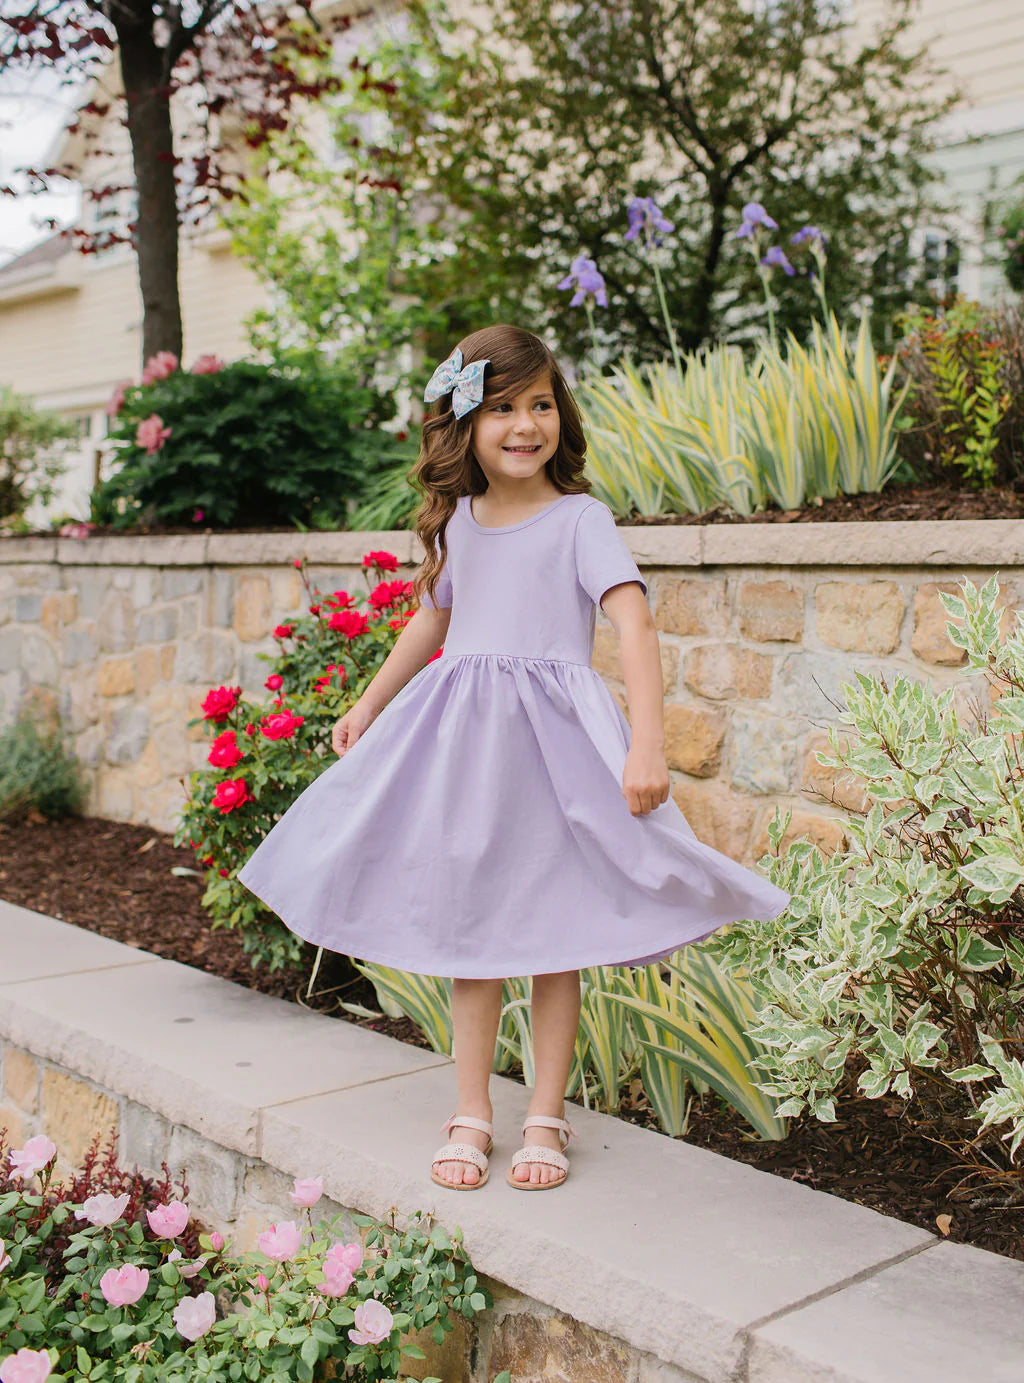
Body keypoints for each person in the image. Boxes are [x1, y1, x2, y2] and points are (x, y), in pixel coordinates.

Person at [237, 323, 791, 1194]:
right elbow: (435, 615)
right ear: (466, 423)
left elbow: (633, 620)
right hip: (466, 749)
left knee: (552, 934)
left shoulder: (581, 519)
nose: (524, 423)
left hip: (556, 754)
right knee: (473, 931)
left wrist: (648, 741)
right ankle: (470, 1110)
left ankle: (544, 1114)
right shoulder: (462, 520)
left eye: (540, 404)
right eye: (502, 407)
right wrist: (370, 699)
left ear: (560, 418)